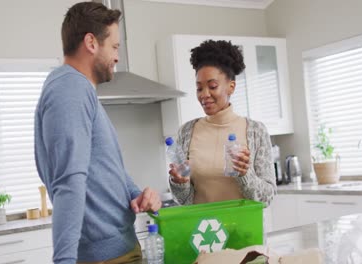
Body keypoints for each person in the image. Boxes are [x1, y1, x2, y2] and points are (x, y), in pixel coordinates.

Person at [34, 2, 161, 264]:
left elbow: (103, 166)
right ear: (91, 42)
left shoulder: (79, 90)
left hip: (118, 249)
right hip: (107, 257)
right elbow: (69, 181)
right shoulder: (69, 90)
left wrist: (135, 194)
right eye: (114, 47)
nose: (117, 56)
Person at [168, 40, 277, 206]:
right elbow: (184, 201)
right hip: (202, 230)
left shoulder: (255, 131)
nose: (204, 94)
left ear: (231, 87)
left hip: (244, 229)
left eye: (212, 86)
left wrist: (244, 174)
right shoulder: (187, 131)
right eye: (199, 88)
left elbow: (267, 198)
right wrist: (180, 183)